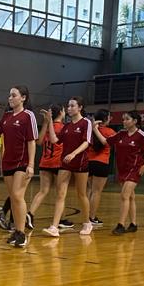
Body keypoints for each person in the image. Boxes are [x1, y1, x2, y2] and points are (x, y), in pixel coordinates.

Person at [42, 97, 106, 237]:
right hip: (65, 164)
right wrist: (49, 122)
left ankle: (87, 223)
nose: (69, 108)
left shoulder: (86, 123)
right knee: (60, 194)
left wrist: (73, 153)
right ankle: (54, 227)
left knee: (81, 194)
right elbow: (54, 140)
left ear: (80, 107)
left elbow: (86, 142)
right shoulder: (67, 126)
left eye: (72, 106)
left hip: (80, 163)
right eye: (68, 106)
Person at [0, 86, 37, 248]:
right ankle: (16, 231)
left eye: (14, 95)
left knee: (17, 196)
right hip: (7, 163)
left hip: (22, 163)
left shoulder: (28, 115)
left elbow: (31, 141)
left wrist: (31, 164)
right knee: (14, 198)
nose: (10, 98)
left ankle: (21, 233)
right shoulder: (7, 116)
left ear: (23, 98)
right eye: (9, 95)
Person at [110, 110, 144, 235]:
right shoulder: (121, 134)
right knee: (130, 197)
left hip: (135, 169)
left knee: (124, 196)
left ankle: (121, 225)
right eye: (123, 119)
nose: (124, 121)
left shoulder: (141, 135)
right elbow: (106, 141)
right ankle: (133, 224)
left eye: (127, 119)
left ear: (135, 121)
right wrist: (95, 128)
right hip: (122, 169)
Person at [28, 104, 67, 233]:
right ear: (61, 112)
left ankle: (30, 213)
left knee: (43, 191)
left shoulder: (47, 127)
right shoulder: (63, 128)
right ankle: (59, 221)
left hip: (45, 162)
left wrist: (46, 122)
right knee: (60, 194)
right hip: (58, 163)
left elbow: (38, 142)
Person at [87, 109, 115, 226]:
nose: (111, 119)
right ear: (105, 119)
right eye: (109, 117)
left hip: (88, 163)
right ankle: (92, 218)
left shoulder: (90, 130)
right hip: (101, 163)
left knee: (90, 190)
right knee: (97, 192)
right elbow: (109, 144)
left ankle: (86, 217)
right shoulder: (110, 131)